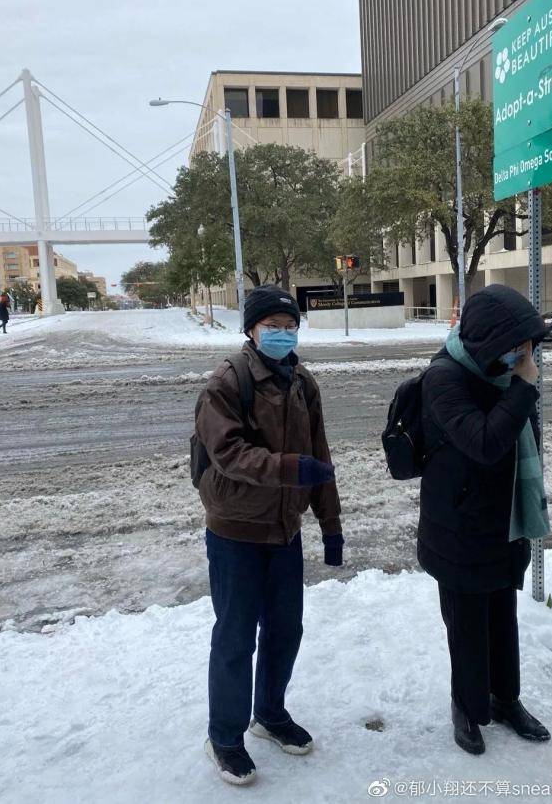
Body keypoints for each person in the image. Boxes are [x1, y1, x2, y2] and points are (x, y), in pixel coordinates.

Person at [196, 284, 343, 786]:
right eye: (272, 326)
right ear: (251, 331)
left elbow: (319, 460)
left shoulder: (303, 383)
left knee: (285, 630)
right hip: (235, 532)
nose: (282, 334)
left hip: (284, 532)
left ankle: (270, 714)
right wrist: (289, 469)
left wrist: (331, 525)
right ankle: (225, 735)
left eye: (290, 326)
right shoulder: (226, 382)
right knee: (236, 638)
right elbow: (229, 454)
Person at [419, 284, 551, 756]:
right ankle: (467, 707)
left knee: (502, 617)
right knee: (467, 624)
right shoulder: (444, 378)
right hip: (457, 526)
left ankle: (505, 699)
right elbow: (486, 443)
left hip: (501, 522)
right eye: (514, 346)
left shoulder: (504, 373)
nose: (522, 355)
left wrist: (519, 383)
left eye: (527, 346)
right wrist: (523, 385)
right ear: (485, 341)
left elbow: (521, 444)